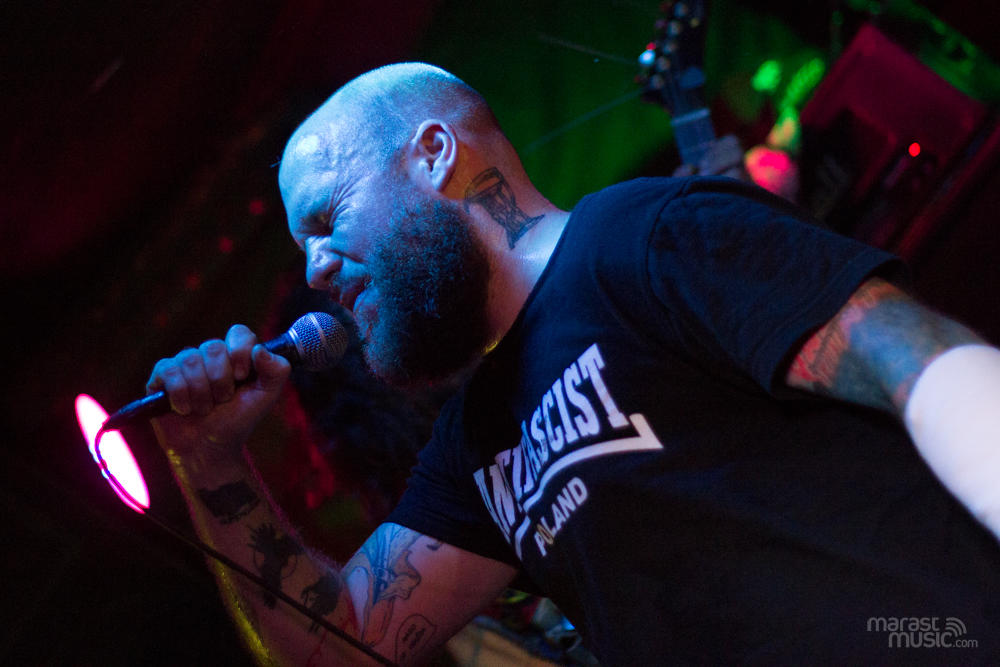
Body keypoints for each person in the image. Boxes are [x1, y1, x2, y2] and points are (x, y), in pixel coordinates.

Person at [147, 62, 1000, 665]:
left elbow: (912, 358)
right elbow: (347, 643)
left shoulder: (643, 236)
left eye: (327, 218)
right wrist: (208, 460)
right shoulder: (476, 445)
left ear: (435, 153)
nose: (316, 270)